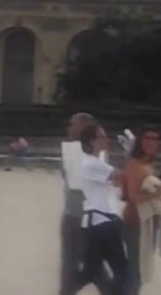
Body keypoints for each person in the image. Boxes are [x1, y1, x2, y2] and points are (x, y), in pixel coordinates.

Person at [71, 120, 130, 295]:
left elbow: (117, 180)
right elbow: (121, 176)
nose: (106, 141)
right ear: (91, 141)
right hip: (103, 224)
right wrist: (131, 154)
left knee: (90, 271)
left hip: (101, 223)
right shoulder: (91, 163)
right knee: (120, 270)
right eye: (102, 137)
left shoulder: (96, 162)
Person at [61, 113, 108, 295]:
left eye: (72, 125)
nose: (69, 128)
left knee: (90, 267)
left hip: (85, 217)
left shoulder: (89, 153)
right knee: (76, 267)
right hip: (76, 215)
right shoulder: (73, 151)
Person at [123, 126, 161, 292]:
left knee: (142, 269)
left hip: (150, 221)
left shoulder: (150, 165)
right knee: (134, 270)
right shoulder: (134, 165)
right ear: (140, 141)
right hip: (135, 221)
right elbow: (134, 197)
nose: (151, 143)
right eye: (147, 138)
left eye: (154, 139)